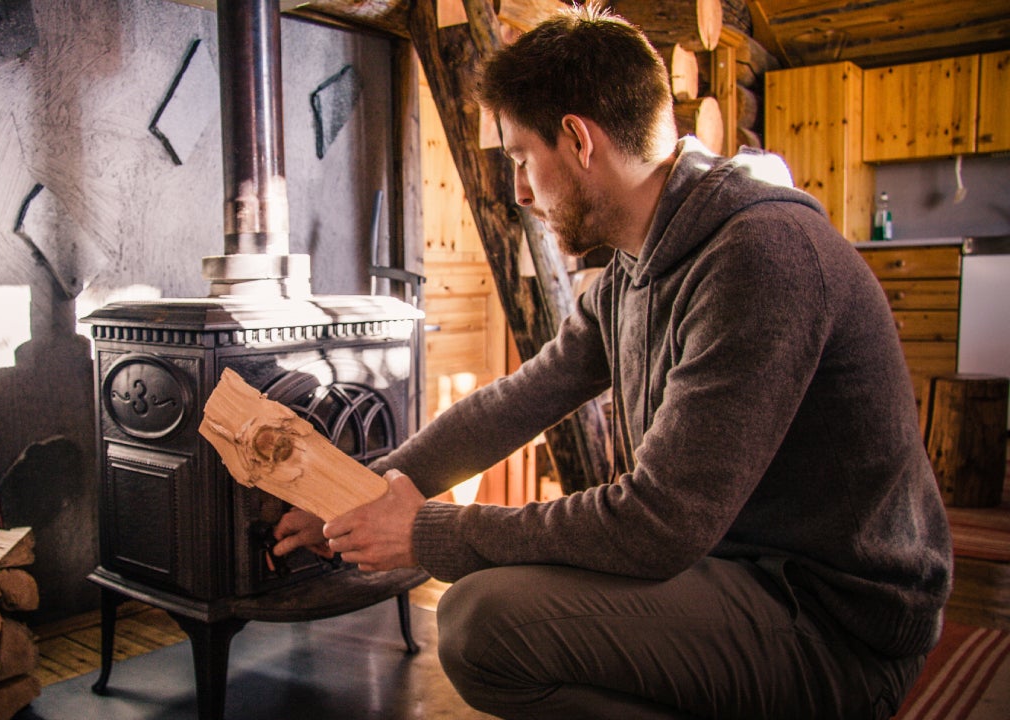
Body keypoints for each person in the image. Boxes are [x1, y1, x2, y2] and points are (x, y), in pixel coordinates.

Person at [273, 4, 952, 718]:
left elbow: (659, 523)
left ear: (577, 139)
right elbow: (516, 401)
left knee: (484, 623)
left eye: (519, 158)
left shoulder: (761, 256)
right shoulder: (638, 267)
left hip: (834, 622)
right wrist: (361, 491)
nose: (519, 191)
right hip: (735, 569)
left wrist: (425, 533)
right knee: (487, 609)